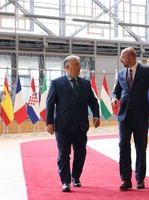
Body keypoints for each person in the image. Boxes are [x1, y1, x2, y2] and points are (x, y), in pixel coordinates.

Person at [46, 55, 100, 192]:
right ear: (67, 67)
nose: (79, 67)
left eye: (79, 64)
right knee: (64, 153)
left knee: (81, 153)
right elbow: (50, 103)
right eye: (75, 64)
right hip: (63, 126)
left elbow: (93, 102)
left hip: (81, 126)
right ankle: (65, 182)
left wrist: (96, 116)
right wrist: (49, 122)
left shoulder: (85, 84)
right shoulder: (56, 83)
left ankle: (75, 177)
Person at [111, 47, 149, 191]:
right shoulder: (120, 74)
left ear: (131, 58)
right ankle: (126, 179)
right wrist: (114, 98)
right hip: (124, 116)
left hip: (141, 116)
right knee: (123, 145)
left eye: (123, 57)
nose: (121, 59)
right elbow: (116, 91)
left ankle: (139, 179)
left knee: (140, 147)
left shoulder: (146, 71)